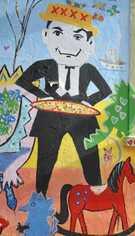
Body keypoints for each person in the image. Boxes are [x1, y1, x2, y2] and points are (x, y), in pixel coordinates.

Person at [15, 3, 112, 196]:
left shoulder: (88, 69)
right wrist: (44, 95)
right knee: (46, 158)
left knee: (90, 155)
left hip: (83, 118)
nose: (68, 45)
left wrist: (89, 102)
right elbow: (23, 81)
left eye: (77, 37)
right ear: (46, 36)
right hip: (51, 116)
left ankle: (97, 191)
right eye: (58, 34)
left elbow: (105, 89)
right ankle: (40, 194)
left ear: (89, 44)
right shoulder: (44, 66)